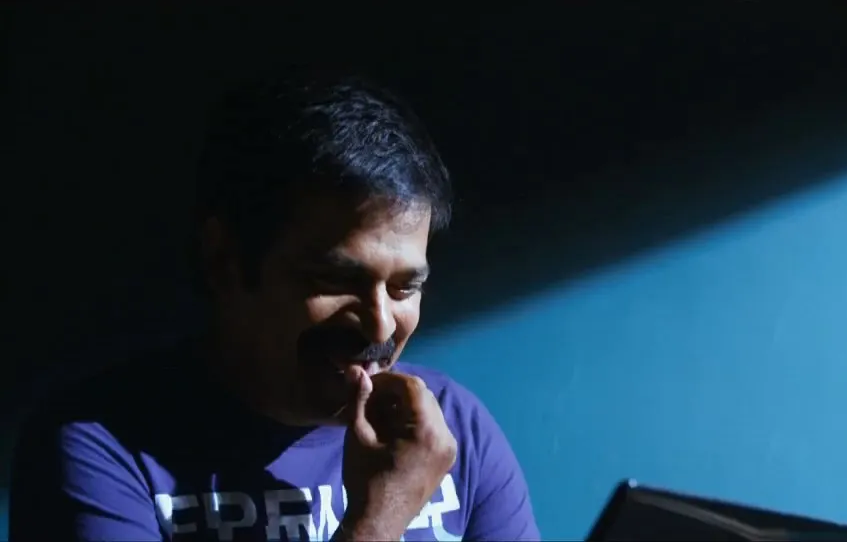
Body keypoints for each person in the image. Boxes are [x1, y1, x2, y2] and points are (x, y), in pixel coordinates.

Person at [8, 71, 540, 541]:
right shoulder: (101, 449)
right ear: (224, 262)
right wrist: (381, 518)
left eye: (404, 288)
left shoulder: (455, 432)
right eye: (336, 279)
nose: (380, 324)